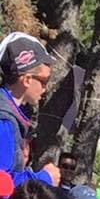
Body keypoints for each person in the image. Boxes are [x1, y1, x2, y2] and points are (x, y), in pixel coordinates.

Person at [0, 33, 59, 188]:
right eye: (44, 81)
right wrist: (43, 178)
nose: (45, 89)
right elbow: (3, 184)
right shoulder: (4, 120)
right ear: (26, 80)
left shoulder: (10, 113)